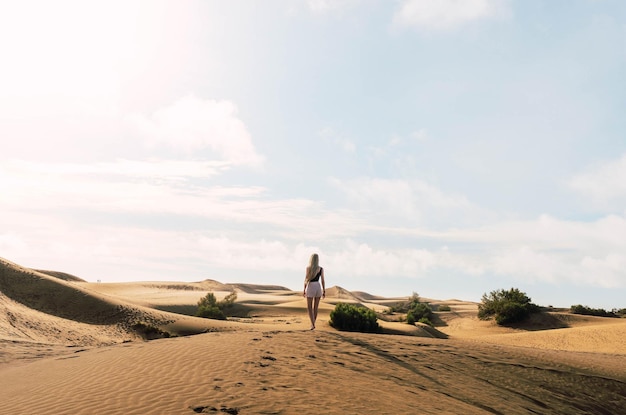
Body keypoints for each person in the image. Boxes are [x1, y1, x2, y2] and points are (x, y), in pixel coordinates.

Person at [303, 253, 325, 330]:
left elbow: (306, 280)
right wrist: (324, 290)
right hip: (318, 286)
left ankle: (312, 324)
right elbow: (322, 280)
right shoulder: (321, 269)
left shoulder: (308, 268)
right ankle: (313, 324)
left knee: (309, 307)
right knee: (315, 307)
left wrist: (304, 289)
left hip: (311, 286)